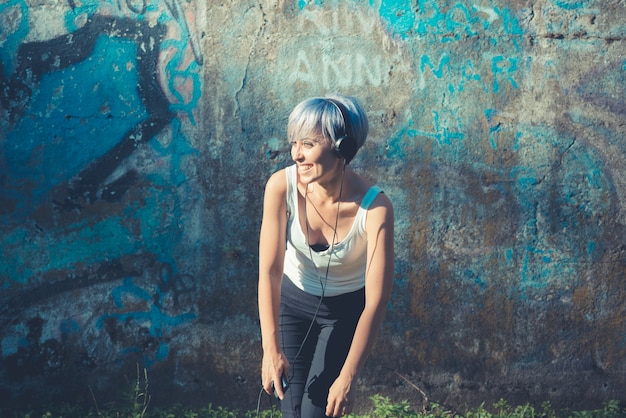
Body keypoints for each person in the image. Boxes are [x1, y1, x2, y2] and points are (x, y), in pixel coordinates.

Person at [258, 94, 395, 418]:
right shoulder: (281, 185)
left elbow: (376, 301)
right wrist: (270, 347)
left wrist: (348, 377)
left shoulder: (375, 209)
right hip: (293, 303)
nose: (297, 154)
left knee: (316, 412)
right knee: (292, 411)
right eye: (294, 142)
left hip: (344, 313)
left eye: (308, 143)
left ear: (342, 148)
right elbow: (270, 271)